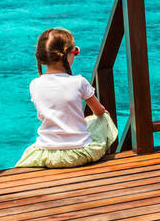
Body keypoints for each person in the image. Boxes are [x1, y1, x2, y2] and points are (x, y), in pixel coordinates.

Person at [15, 27, 119, 168]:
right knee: (103, 119)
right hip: (79, 153)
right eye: (75, 52)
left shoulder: (34, 84)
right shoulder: (79, 81)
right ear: (68, 55)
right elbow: (99, 111)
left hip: (48, 154)